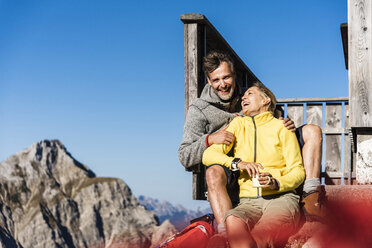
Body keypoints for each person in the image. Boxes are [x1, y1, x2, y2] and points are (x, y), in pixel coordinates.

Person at [178, 51, 324, 238]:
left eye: (226, 77)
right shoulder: (199, 109)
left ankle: (311, 195)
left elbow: (272, 118)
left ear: (234, 75)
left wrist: (287, 122)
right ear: (209, 81)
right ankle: (225, 233)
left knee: (312, 131)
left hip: (263, 163)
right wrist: (209, 139)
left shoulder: (249, 96)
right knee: (212, 171)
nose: (222, 84)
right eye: (216, 80)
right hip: (230, 165)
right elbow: (184, 155)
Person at [202, 82, 305, 247]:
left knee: (260, 237)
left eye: (250, 93)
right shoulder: (238, 125)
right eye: (244, 95)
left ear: (265, 100)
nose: (243, 97)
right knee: (233, 218)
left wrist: (276, 183)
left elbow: (298, 171)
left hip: (281, 199)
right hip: (247, 202)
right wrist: (236, 163)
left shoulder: (282, 127)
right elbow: (208, 155)